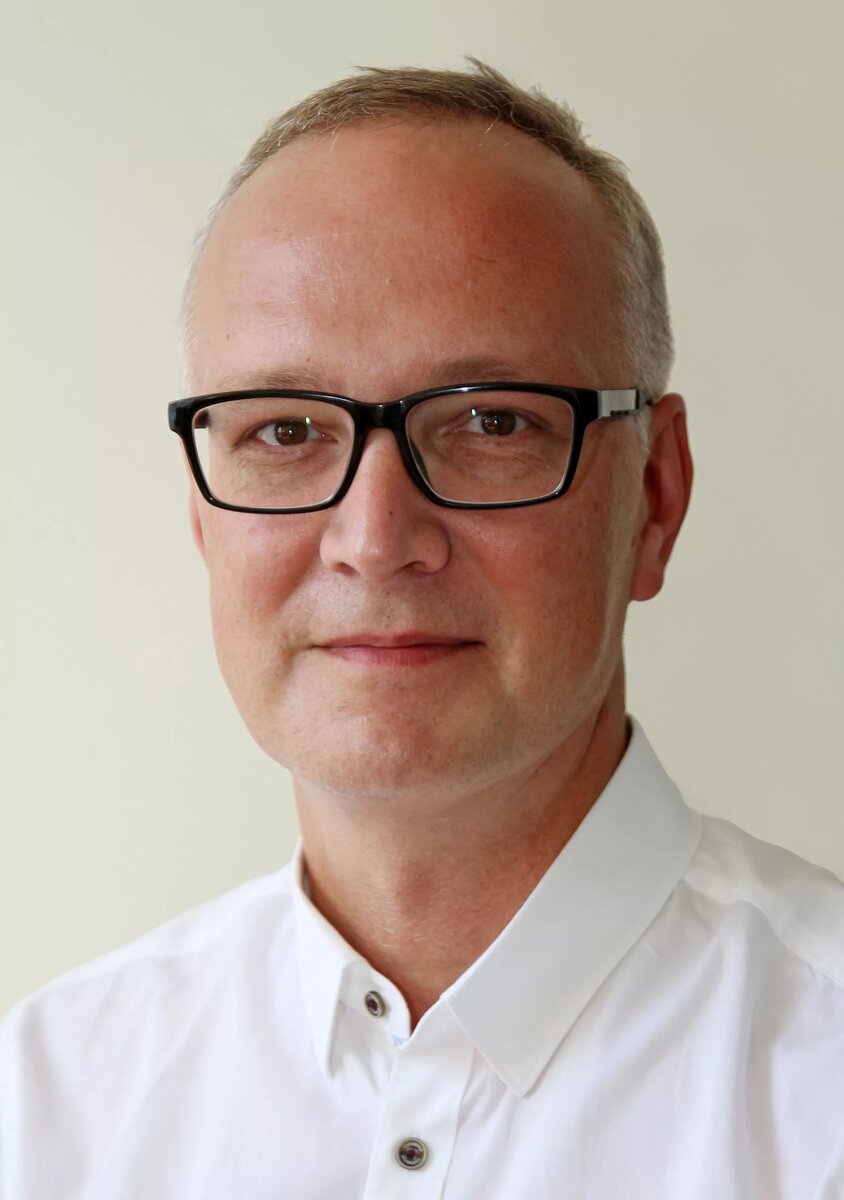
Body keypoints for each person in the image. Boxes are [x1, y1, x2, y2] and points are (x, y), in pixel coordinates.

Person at [1, 60, 842, 1199]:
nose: (375, 537)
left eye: (491, 421)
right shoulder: (47, 1107)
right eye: (285, 431)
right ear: (204, 517)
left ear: (655, 497)